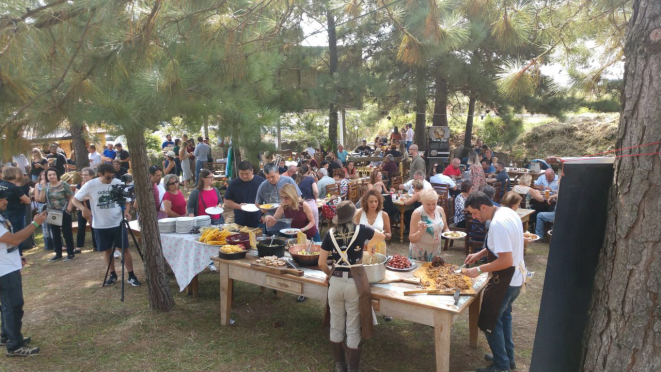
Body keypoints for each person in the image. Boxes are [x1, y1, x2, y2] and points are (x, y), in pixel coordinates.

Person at [318, 201, 385, 372]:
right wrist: (367, 245)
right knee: (353, 326)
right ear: (353, 216)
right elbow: (382, 237)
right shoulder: (362, 229)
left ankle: (340, 365)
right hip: (354, 283)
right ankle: (352, 369)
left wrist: (329, 274)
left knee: (336, 324)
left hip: (336, 282)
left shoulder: (330, 234)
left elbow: (321, 263)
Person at [463, 192, 525, 372]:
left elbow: (505, 260)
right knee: (504, 317)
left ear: (483, 207)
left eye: (474, 213)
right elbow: (503, 244)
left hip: (506, 279)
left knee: (489, 321)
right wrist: (480, 254)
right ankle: (507, 359)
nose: (474, 218)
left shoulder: (497, 224)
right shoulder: (506, 211)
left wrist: (479, 269)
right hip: (516, 278)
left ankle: (501, 366)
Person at [71, 163, 141, 286]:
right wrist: (83, 209)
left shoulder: (117, 182)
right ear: (100, 174)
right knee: (107, 250)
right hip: (100, 224)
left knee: (124, 249)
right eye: (108, 177)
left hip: (118, 223)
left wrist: (125, 212)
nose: (111, 179)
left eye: (112, 176)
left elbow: (127, 201)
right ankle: (112, 274)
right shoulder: (91, 185)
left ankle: (131, 275)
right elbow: (75, 199)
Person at [0, 192, 47, 357]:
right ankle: (14, 346)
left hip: (7, 266)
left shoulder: (1, 216)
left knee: (8, 306)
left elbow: (6, 244)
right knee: (13, 306)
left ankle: (7, 336)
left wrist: (16, 256)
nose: (6, 201)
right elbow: (13, 239)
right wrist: (35, 223)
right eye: (2, 199)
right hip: (4, 271)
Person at [38, 167, 75, 262]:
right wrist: (42, 187)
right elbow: (42, 200)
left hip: (63, 211)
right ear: (46, 176)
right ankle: (58, 253)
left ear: (57, 175)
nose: (52, 176)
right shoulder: (46, 186)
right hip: (52, 212)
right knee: (55, 234)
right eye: (49, 175)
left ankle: (70, 253)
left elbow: (71, 197)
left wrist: (68, 210)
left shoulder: (64, 184)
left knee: (67, 233)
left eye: (54, 174)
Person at [408, 188, 450, 261]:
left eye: (434, 204)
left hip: (435, 252)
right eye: (428, 204)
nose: (431, 207)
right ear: (422, 202)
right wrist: (420, 232)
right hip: (420, 254)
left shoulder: (440, 210)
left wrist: (450, 234)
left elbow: (445, 228)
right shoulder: (418, 213)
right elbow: (412, 239)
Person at [223, 161, 265, 228]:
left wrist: (265, 215)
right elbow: (226, 201)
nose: (244, 176)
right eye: (241, 174)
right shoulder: (234, 184)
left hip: (259, 218)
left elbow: (268, 200)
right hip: (240, 219)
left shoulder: (262, 182)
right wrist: (238, 206)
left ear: (252, 171)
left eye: (247, 173)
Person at [0, 168, 31, 254]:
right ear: (13, 174)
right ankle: (19, 254)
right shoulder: (14, 187)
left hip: (5, 213)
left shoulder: (1, 184)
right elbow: (27, 201)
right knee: (18, 234)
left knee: (8, 233)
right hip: (17, 213)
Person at [354, 189, 392, 253]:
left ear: (379, 202)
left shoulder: (384, 215)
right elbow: (354, 232)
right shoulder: (359, 213)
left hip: (379, 248)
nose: (374, 204)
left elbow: (389, 235)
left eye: (376, 201)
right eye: (371, 202)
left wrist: (382, 235)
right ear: (366, 202)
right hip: (363, 247)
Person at [73, 168, 97, 254]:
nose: (84, 176)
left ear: (92, 175)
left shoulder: (95, 185)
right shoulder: (80, 185)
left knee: (94, 226)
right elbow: (76, 196)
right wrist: (86, 197)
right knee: (81, 227)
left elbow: (94, 196)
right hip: (82, 208)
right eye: (83, 175)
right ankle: (79, 246)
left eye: (86, 175)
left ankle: (96, 245)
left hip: (93, 208)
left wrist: (84, 196)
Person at [33, 171, 54, 251]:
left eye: (46, 175)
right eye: (43, 175)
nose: (44, 176)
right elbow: (37, 198)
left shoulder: (51, 184)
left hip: (51, 206)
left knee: (53, 223)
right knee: (45, 226)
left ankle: (56, 242)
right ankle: (48, 244)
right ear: (40, 176)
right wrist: (43, 187)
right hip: (42, 206)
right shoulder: (37, 185)